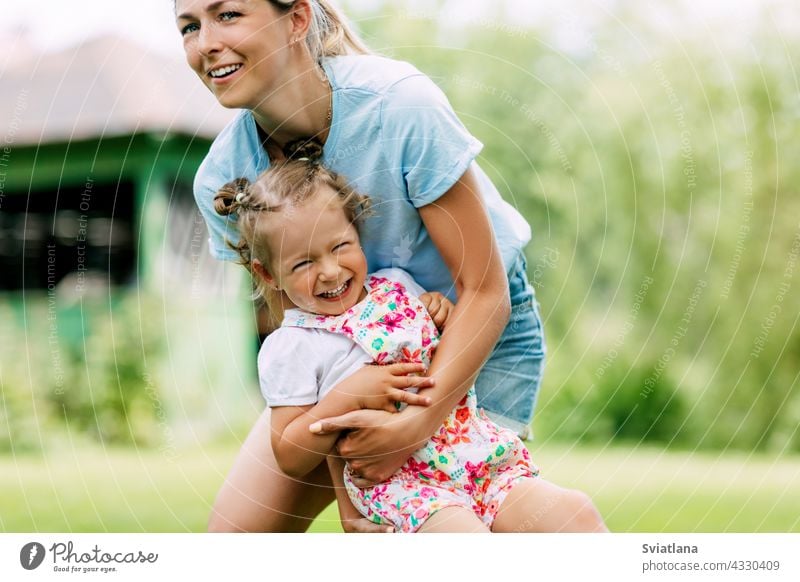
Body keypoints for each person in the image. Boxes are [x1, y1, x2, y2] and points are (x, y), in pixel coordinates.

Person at [176, 0, 549, 532]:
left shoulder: (401, 106)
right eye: (189, 27)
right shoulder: (225, 181)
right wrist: (353, 499)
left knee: (458, 533)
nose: (205, 42)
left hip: (472, 332)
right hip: (355, 362)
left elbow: (485, 292)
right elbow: (314, 350)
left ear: (298, 18)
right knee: (233, 539)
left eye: (228, 14)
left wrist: (417, 425)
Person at [213, 146, 606, 532]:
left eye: (340, 247)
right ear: (268, 275)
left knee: (574, 514)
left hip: (475, 458)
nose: (331, 271)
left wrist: (441, 313)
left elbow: (442, 349)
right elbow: (289, 453)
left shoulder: (397, 286)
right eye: (303, 263)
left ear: (357, 233)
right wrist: (347, 396)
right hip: (404, 488)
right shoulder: (293, 346)